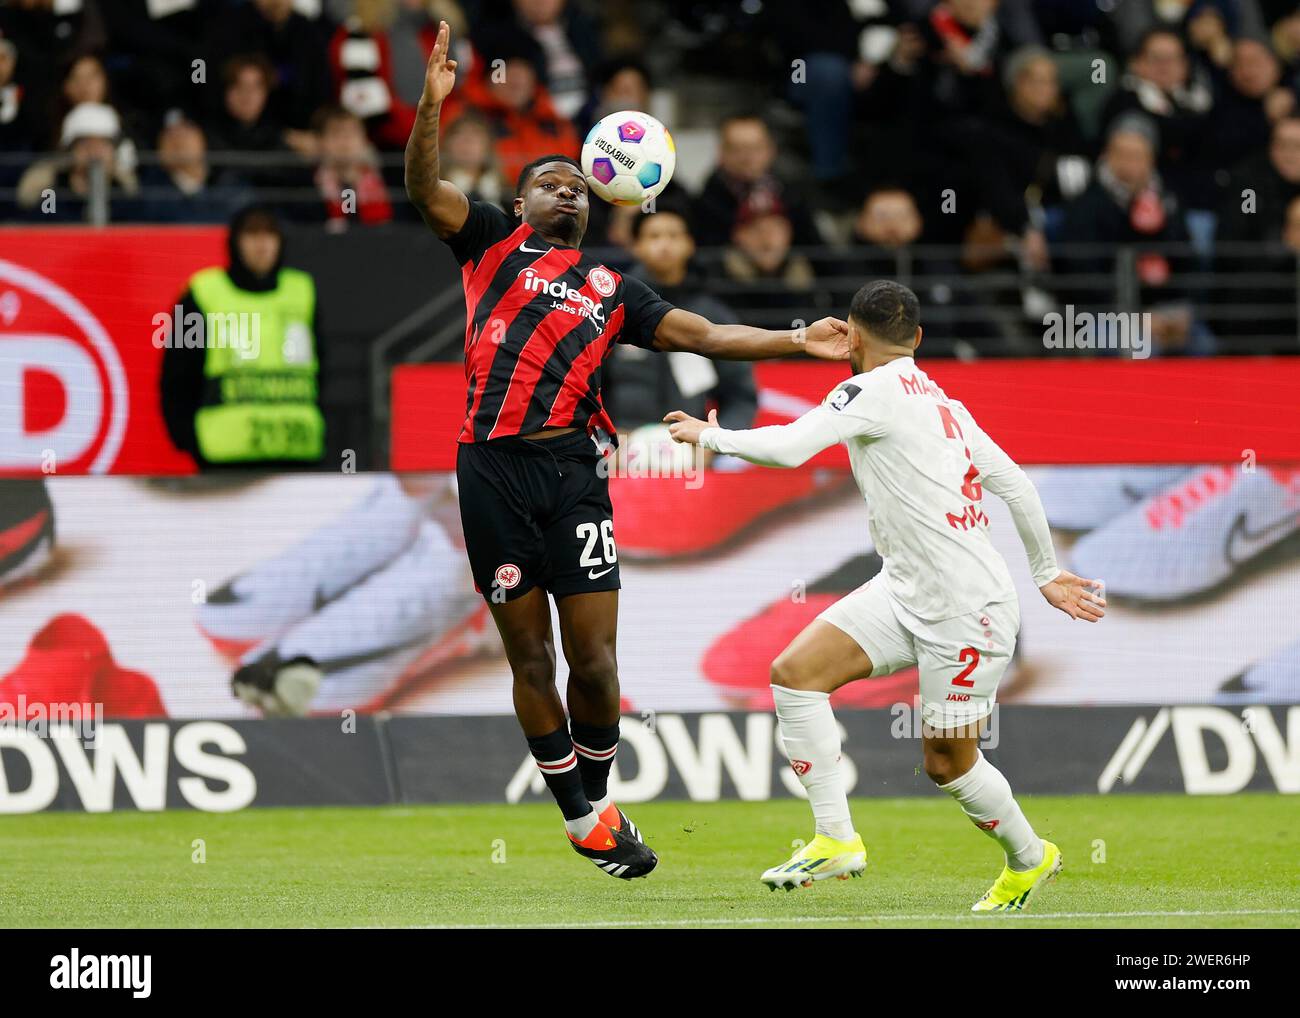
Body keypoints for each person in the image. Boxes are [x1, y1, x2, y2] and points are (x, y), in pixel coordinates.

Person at [404, 21, 849, 880]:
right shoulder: (488, 243)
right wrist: (431, 108)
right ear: (523, 199)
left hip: (574, 473)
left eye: (577, 184)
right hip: (490, 468)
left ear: (596, 200)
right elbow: (424, 186)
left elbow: (711, 335)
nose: (566, 191)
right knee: (529, 656)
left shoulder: (612, 287)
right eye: (549, 181)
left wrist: (799, 338)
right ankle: (583, 818)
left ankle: (598, 799)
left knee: (596, 660)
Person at [664, 280, 1105, 910]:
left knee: (947, 763)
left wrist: (711, 438)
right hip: (904, 591)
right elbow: (1018, 486)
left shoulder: (866, 390)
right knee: (793, 676)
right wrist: (1045, 571)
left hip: (966, 610)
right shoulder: (947, 402)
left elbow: (791, 449)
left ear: (852, 334)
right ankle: (835, 839)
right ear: (919, 338)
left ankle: (1031, 858)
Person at [159, 205, 326, 469]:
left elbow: (323, 368)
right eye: (252, 235)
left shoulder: (302, 291)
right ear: (235, 241)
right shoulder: (202, 293)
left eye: (270, 235)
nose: (262, 245)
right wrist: (190, 442)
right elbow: (177, 377)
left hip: (297, 455)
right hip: (225, 461)